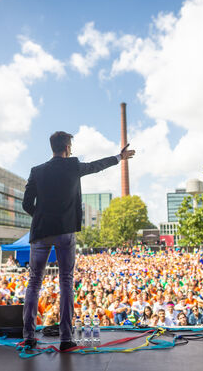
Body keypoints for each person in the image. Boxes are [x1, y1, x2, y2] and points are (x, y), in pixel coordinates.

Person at [21, 131, 135, 351]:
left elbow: (27, 203)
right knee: (65, 281)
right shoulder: (73, 166)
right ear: (67, 147)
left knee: (34, 283)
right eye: (71, 146)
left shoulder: (36, 171)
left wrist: (42, 218)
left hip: (40, 231)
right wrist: (119, 157)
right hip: (65, 232)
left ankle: (28, 337)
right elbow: (95, 166)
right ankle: (65, 339)